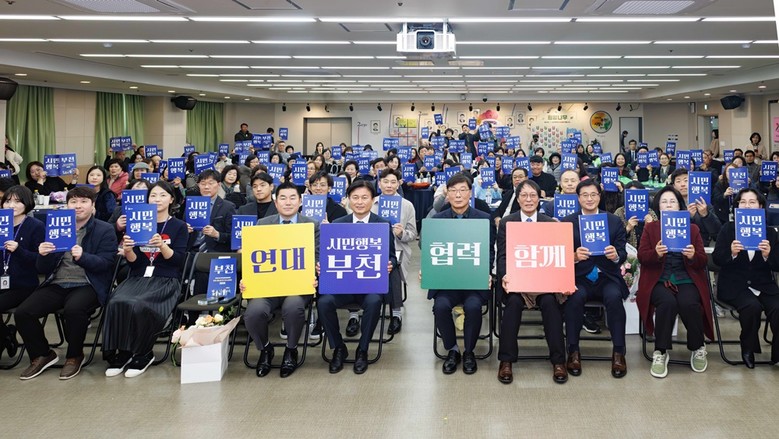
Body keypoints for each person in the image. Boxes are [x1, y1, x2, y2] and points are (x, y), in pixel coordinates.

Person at [14, 187, 117, 380]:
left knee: (74, 309)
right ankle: (42, 354)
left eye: (84, 201)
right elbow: (42, 268)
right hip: (57, 282)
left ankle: (74, 355)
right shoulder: (56, 227)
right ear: (67, 205)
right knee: (23, 312)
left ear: (93, 205)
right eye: (73, 202)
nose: (78, 206)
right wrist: (43, 255)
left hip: (88, 283)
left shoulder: (104, 229)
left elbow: (106, 264)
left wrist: (83, 257)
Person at [101, 181, 188, 378]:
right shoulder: (138, 222)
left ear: (171, 199)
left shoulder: (179, 226)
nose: (157, 199)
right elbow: (135, 263)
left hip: (166, 279)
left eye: (163, 195)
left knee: (139, 304)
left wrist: (162, 246)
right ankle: (123, 351)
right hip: (139, 276)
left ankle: (143, 352)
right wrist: (128, 250)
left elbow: (178, 261)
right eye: (153, 195)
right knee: (116, 300)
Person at [318, 180, 397, 375]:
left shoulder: (382, 224)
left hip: (369, 285)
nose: (359, 202)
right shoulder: (338, 224)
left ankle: (363, 349)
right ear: (348, 200)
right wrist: (322, 266)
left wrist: (390, 264)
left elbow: (392, 257)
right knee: (324, 302)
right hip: (342, 287)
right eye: (355, 197)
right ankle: (338, 348)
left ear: (373, 200)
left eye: (364, 197)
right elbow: (328, 256)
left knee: (374, 301)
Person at [241, 182, 318, 378]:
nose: (288, 202)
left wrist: (316, 273)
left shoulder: (312, 226)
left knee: (293, 307)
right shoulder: (262, 224)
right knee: (253, 312)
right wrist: (247, 279)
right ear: (276, 203)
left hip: (297, 287)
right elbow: (252, 258)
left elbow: (317, 257)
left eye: (293, 198)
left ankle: (291, 350)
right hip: (268, 287)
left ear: (300, 202)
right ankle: (266, 349)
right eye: (283, 198)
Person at [497, 180, 568, 384]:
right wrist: (504, 275)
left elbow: (557, 255)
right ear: (518, 199)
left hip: (543, 282)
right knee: (512, 304)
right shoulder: (507, 222)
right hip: (517, 282)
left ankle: (558, 361)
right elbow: (502, 256)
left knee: (550, 304)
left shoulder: (550, 223)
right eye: (524, 195)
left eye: (533, 195)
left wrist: (561, 280)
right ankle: (506, 361)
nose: (528, 199)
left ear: (539, 198)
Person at [637, 186, 713, 378]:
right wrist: (656, 253)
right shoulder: (651, 228)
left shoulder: (693, 229)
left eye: (672, 201)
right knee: (667, 303)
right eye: (664, 202)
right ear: (658, 207)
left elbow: (703, 260)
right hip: (659, 280)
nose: (669, 205)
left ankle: (698, 347)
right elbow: (642, 257)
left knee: (689, 303)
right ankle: (660, 351)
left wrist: (693, 256)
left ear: (680, 206)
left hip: (686, 279)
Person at [427, 173, 494, 375]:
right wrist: (427, 269)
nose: (458, 195)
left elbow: (489, 251)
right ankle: (453, 350)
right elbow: (431, 250)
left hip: (474, 281)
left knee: (473, 307)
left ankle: (470, 352)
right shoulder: (437, 220)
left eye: (462, 190)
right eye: (453, 191)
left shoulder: (484, 218)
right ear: (447, 194)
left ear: (470, 193)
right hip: (447, 282)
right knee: (440, 306)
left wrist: (487, 272)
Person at [561, 180, 629, 379]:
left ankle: (619, 352)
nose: (589, 199)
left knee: (614, 298)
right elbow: (560, 254)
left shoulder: (613, 221)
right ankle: (573, 350)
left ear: (600, 196)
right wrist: (574, 256)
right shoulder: (567, 222)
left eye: (593, 194)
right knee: (574, 298)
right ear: (578, 198)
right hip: (579, 276)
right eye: (585, 195)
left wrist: (615, 256)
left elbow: (623, 253)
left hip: (606, 276)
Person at [712, 189, 779, 368]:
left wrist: (768, 255)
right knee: (751, 306)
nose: (747, 206)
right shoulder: (728, 229)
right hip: (734, 285)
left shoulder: (771, 232)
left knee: (777, 307)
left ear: (761, 206)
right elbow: (717, 259)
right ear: (737, 206)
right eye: (743, 202)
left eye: (752, 202)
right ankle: (748, 348)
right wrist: (732, 253)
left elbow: (777, 264)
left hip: (763, 284)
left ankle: (777, 352)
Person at [0, 186, 45, 360]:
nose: (11, 205)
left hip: (23, 285)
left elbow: (40, 261)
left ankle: (4, 337)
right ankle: (6, 335)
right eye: (8, 201)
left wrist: (19, 250)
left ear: (27, 204)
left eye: (17, 201)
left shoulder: (35, 226)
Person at [371, 168, 417, 334]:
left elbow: (413, 234)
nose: (389, 185)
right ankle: (354, 315)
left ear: (398, 184)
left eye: (393, 182)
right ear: (379, 184)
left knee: (393, 266)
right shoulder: (371, 202)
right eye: (385, 182)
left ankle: (396, 313)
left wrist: (401, 233)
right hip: (372, 248)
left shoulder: (407, 205)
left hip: (398, 248)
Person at [187, 170, 236, 253]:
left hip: (215, 253)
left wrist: (217, 234)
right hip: (192, 251)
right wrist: (185, 230)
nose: (206, 187)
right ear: (198, 185)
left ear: (219, 185)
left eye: (211, 183)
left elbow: (234, 236)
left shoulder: (228, 207)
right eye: (203, 183)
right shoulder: (191, 204)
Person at [671, 168, 721, 245]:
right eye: (678, 181)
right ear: (674, 186)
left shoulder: (703, 203)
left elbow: (717, 233)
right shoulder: (671, 204)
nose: (682, 184)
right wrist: (688, 216)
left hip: (702, 245)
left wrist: (706, 215)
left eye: (686, 180)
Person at [614, 181, 656, 249]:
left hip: (646, 251)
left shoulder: (650, 213)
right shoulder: (619, 212)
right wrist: (627, 229)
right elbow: (614, 238)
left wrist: (651, 226)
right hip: (627, 252)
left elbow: (657, 238)